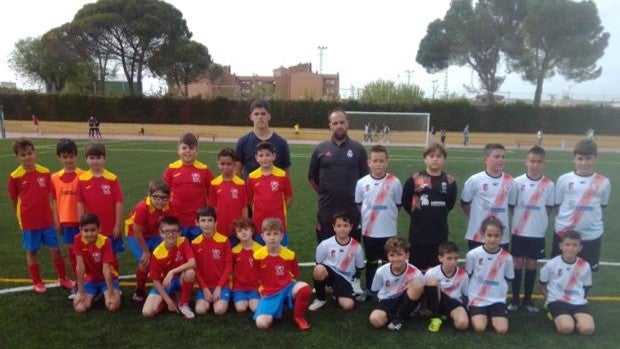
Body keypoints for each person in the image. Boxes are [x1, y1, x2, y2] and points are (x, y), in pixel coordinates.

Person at [7, 138, 74, 294]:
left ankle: (63, 278)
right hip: (29, 221)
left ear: (34, 153)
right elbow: (13, 199)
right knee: (32, 251)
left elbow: (51, 197)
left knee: (55, 249)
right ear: (17, 157)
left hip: (47, 220)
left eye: (30, 153)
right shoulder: (15, 177)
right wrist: (20, 217)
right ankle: (37, 282)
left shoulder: (44, 172)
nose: (27, 157)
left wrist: (54, 217)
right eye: (23, 154)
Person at [308, 107, 369, 243]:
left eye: (342, 122)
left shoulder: (358, 149)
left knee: (351, 251)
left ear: (347, 123)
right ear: (330, 126)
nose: (339, 126)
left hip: (351, 209)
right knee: (325, 250)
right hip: (327, 209)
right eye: (335, 123)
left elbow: (365, 180)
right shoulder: (320, 149)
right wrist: (325, 192)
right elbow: (312, 177)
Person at [507, 146, 555, 312]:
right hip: (519, 231)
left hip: (537, 232)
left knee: (532, 263)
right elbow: (512, 206)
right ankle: (515, 299)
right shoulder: (517, 182)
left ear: (544, 163)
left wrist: (537, 221)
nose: (535, 165)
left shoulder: (549, 184)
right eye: (532, 161)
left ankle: (528, 300)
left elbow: (549, 209)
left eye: (539, 162)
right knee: (518, 262)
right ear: (526, 162)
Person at [552, 139, 610, 271]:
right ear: (574, 159)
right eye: (580, 158)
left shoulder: (604, 182)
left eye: (588, 158)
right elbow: (558, 206)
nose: (584, 163)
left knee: (585, 274)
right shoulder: (564, 179)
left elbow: (602, 207)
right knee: (559, 272)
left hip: (591, 236)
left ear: (595, 158)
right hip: (564, 234)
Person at [355, 145, 402, 300]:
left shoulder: (394, 182)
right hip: (369, 231)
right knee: (372, 262)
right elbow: (359, 204)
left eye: (381, 161)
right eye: (375, 160)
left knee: (390, 262)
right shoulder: (362, 182)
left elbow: (398, 204)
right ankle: (370, 289)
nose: (378, 164)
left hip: (388, 231)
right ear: (369, 162)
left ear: (386, 162)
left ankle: (390, 289)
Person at [402, 142, 457, 271]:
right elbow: (406, 202)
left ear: (444, 159)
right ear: (425, 158)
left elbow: (450, 204)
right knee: (417, 272)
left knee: (436, 272)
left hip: (440, 234)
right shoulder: (415, 179)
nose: (435, 159)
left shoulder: (450, 181)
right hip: (418, 235)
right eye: (431, 155)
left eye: (439, 156)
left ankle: (433, 292)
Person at [253, 218, 312, 331]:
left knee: (305, 288)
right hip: (269, 293)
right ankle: (275, 308)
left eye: (276, 233)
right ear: (262, 236)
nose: (272, 237)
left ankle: (298, 317)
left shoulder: (290, 255)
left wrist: (289, 283)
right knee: (262, 324)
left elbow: (294, 273)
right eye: (268, 234)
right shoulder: (258, 256)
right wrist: (261, 291)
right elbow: (256, 277)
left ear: (281, 236)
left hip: (286, 287)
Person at [540, 230, 595, 335]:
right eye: (567, 244)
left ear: (580, 248)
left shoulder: (585, 265)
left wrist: (580, 299)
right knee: (566, 328)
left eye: (575, 245)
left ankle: (573, 317)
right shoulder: (551, 264)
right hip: (557, 301)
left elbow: (586, 287)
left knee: (588, 329)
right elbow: (542, 285)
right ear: (561, 246)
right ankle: (554, 314)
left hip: (577, 302)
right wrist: (549, 301)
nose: (570, 248)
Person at [124, 179, 171, 303]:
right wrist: (146, 251)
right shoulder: (143, 208)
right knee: (145, 262)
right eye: (156, 197)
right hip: (135, 235)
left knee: (162, 257)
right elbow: (137, 232)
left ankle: (166, 286)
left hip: (154, 234)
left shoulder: (167, 206)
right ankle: (139, 290)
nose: (160, 201)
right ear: (149, 195)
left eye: (164, 197)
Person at [466, 216, 514, 334]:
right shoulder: (473, 255)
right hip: (477, 298)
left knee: (502, 330)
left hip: (496, 299)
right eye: (489, 235)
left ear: (501, 236)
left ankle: (491, 313)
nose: (492, 239)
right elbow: (468, 276)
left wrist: (497, 291)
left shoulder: (507, 257)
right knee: (480, 328)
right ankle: (480, 312)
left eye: (496, 236)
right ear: (483, 235)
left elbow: (508, 279)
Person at [308, 211, 365, 312]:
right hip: (329, 275)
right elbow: (319, 262)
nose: (342, 228)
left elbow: (359, 267)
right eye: (339, 226)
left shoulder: (356, 246)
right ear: (334, 227)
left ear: (351, 226)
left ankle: (333, 290)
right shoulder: (325, 244)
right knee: (319, 269)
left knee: (348, 305)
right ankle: (321, 299)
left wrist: (354, 280)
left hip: (345, 280)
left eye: (345, 225)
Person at [461, 143, 514, 250]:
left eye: (503, 157)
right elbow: (465, 204)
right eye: (497, 156)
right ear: (485, 159)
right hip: (477, 234)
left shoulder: (510, 180)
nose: (501, 160)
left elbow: (511, 206)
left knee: (499, 266)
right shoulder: (475, 180)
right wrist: (477, 217)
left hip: (501, 236)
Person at [142, 216, 197, 319]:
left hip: (180, 279)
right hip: (165, 284)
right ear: (160, 233)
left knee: (190, 272)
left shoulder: (183, 241)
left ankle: (183, 304)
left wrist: (172, 271)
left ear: (179, 232)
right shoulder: (157, 254)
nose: (170, 235)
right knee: (147, 312)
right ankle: (171, 298)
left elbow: (192, 263)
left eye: (174, 231)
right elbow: (155, 281)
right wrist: (168, 301)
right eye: (166, 232)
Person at [163, 132, 214, 241]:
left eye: (191, 148)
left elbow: (212, 194)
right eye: (184, 148)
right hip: (177, 219)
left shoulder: (204, 170)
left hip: (198, 220)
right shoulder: (171, 169)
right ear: (178, 150)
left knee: (198, 250)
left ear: (197, 151)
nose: (187, 151)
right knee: (180, 251)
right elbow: (164, 193)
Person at [51, 138, 85, 298]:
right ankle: (78, 283)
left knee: (86, 253)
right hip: (67, 223)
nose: (68, 160)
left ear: (76, 156)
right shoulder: (54, 178)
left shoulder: (83, 175)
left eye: (71, 156)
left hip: (83, 223)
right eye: (65, 157)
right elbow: (53, 201)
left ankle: (88, 281)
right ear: (59, 157)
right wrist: (57, 221)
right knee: (73, 253)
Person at [368, 236, 425, 331]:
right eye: (392, 255)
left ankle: (399, 318)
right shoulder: (381, 271)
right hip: (387, 300)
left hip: (405, 299)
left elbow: (421, 291)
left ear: (407, 255)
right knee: (375, 320)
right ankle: (400, 314)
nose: (396, 258)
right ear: (387, 256)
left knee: (418, 284)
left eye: (399, 254)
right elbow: (375, 290)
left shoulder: (415, 272)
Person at [77, 142, 124, 254]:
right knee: (93, 255)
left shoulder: (112, 178)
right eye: (92, 158)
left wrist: (117, 224)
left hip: (110, 226)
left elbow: (119, 202)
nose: (95, 161)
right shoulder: (82, 179)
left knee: (112, 255)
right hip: (91, 228)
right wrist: (81, 223)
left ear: (104, 159)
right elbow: (80, 203)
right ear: (86, 159)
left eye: (98, 157)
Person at [247, 142, 293, 246]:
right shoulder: (252, 177)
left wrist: (279, 209)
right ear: (256, 158)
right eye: (261, 155)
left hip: (279, 223)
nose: (264, 158)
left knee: (280, 254)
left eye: (268, 155)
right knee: (260, 256)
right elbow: (250, 201)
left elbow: (289, 197)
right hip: (259, 224)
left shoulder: (282, 175)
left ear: (274, 156)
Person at [72, 214, 121, 313]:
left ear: (99, 229)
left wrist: (111, 293)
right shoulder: (77, 239)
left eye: (93, 230)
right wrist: (81, 292)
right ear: (80, 230)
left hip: (107, 279)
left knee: (113, 306)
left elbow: (106, 269)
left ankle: (106, 292)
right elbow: (80, 267)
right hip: (90, 279)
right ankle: (96, 294)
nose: (90, 233)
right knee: (80, 308)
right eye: (86, 231)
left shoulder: (105, 241)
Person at [191, 206, 233, 316]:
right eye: (203, 220)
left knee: (219, 310)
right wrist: (204, 288)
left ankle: (223, 297)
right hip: (205, 286)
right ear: (197, 222)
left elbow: (229, 267)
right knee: (200, 310)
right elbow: (195, 269)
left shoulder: (224, 240)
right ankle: (207, 298)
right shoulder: (194, 243)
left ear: (216, 222)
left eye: (210, 220)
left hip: (221, 285)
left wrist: (219, 287)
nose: (206, 224)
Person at [236, 99, 291, 177]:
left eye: (263, 114)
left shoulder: (281, 143)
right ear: (251, 117)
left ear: (269, 116)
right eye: (256, 114)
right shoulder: (243, 142)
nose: (260, 117)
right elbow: (237, 170)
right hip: (251, 188)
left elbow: (286, 173)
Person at [424, 241, 469, 332]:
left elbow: (466, 295)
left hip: (453, 303)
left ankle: (447, 316)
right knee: (432, 281)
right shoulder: (432, 272)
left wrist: (466, 311)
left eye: (455, 258)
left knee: (462, 325)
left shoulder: (463, 274)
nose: (453, 262)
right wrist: (423, 308)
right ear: (440, 258)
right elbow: (425, 293)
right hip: (436, 302)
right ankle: (436, 317)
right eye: (449, 258)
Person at [209, 148, 248, 238]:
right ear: (218, 164)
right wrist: (213, 225)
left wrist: (243, 224)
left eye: (229, 164)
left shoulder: (241, 183)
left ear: (234, 165)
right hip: (220, 228)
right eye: (222, 164)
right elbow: (213, 208)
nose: (225, 166)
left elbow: (244, 207)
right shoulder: (214, 184)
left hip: (237, 229)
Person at [230, 218, 263, 313]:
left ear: (252, 231)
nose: (243, 233)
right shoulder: (234, 251)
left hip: (255, 287)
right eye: (240, 231)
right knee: (241, 309)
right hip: (239, 287)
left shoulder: (260, 250)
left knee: (255, 308)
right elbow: (231, 270)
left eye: (246, 230)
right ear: (236, 235)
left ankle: (254, 298)